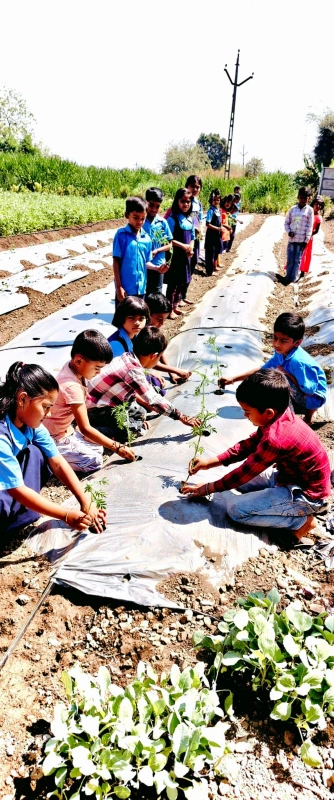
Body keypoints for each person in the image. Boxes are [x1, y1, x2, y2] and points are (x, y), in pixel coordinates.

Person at [182, 369, 331, 547]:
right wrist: (210, 462)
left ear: (268, 412)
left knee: (236, 510)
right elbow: (248, 445)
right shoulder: (280, 415)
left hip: (305, 494)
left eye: (247, 411)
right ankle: (284, 506)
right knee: (238, 483)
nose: (245, 416)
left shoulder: (276, 439)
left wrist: (208, 488)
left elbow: (244, 473)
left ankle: (302, 523)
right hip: (289, 478)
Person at [0, 362, 106, 534]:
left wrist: (85, 501)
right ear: (23, 399)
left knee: (37, 453)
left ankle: (21, 514)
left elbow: (57, 462)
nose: (49, 414)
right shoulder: (1, 436)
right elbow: (16, 489)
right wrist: (66, 515)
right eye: (46, 407)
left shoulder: (31, 426)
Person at [44, 330, 135, 472]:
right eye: (97, 368)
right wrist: (117, 447)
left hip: (65, 430)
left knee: (97, 447)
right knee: (95, 461)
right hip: (53, 436)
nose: (98, 372)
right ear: (78, 361)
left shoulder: (74, 368)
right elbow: (86, 428)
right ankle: (50, 461)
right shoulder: (71, 386)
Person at [87, 326, 200, 440]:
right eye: (159, 357)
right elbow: (152, 399)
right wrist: (181, 416)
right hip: (95, 410)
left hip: (105, 401)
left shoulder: (128, 358)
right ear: (154, 356)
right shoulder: (132, 372)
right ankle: (91, 431)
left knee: (140, 412)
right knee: (130, 432)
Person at [220, 312, 327, 425]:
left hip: (313, 399)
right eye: (275, 338)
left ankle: (289, 422)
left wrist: (287, 375)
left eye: (283, 340)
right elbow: (262, 370)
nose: (276, 344)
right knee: (273, 376)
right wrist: (232, 379)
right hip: (303, 391)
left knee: (279, 379)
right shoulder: (281, 353)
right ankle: (303, 418)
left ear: (297, 342)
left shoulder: (298, 362)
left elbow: (310, 391)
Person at [112, 196, 154, 303]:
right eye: (136, 217)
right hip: (125, 290)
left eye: (143, 218)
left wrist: (158, 268)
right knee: (123, 319)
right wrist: (118, 287)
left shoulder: (147, 239)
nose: (139, 222)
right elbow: (116, 261)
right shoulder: (121, 235)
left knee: (139, 318)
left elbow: (146, 263)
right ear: (127, 215)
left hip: (141, 289)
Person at [145, 292, 192, 384]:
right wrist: (176, 371)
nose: (162, 324)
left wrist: (172, 374)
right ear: (148, 313)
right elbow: (147, 362)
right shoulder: (141, 332)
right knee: (157, 385)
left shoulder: (151, 329)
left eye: (164, 320)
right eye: (159, 319)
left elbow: (159, 351)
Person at [165, 189, 195, 318]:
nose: (185, 204)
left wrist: (191, 248)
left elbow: (193, 236)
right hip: (175, 256)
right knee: (173, 284)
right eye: (182, 201)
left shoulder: (190, 219)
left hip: (185, 257)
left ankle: (176, 306)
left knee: (182, 282)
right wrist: (184, 246)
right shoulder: (172, 219)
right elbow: (168, 239)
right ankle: (169, 309)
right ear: (177, 201)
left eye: (188, 202)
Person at [278, 187, 313, 286]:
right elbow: (286, 223)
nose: (303, 200)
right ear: (298, 197)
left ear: (308, 199)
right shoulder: (292, 210)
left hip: (301, 241)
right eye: (301, 198)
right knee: (290, 259)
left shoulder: (310, 211)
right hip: (292, 240)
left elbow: (310, 226)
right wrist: (289, 232)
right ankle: (287, 277)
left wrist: (306, 240)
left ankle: (292, 279)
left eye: (305, 198)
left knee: (297, 260)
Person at [142, 187, 172, 294]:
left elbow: (169, 245)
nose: (154, 209)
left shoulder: (162, 222)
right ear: (145, 202)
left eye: (157, 206)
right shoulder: (140, 222)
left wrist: (157, 250)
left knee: (156, 294)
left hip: (159, 265)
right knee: (143, 294)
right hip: (143, 265)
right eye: (151, 205)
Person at [185, 175, 203, 283]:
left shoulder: (198, 203)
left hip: (196, 236)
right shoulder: (184, 201)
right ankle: (179, 295)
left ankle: (184, 293)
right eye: (192, 186)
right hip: (186, 236)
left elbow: (198, 219)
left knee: (194, 260)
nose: (195, 189)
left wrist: (200, 229)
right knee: (185, 263)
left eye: (198, 187)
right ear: (187, 186)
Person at [300, 196, 324, 276]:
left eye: (320, 205)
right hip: (301, 234)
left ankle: (302, 271)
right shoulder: (307, 212)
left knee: (305, 254)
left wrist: (309, 234)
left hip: (309, 238)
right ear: (313, 204)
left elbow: (316, 230)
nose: (318, 206)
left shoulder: (318, 218)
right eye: (316, 204)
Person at [204, 189, 223, 276]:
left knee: (216, 251)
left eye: (218, 200)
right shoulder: (211, 211)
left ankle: (214, 267)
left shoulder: (218, 210)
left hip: (217, 235)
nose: (216, 201)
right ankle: (209, 271)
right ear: (211, 200)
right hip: (211, 235)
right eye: (214, 200)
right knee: (210, 253)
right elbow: (207, 224)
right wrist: (217, 228)